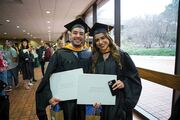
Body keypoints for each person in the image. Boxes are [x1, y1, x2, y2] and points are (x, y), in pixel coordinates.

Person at [35, 18, 91, 120]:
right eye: (75, 33)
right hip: (66, 100)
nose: (78, 36)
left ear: (84, 36)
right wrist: (49, 96)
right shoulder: (59, 54)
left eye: (81, 33)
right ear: (70, 35)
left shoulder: (89, 54)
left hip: (84, 100)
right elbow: (48, 76)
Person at [90, 23, 142, 120]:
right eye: (97, 40)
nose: (100, 42)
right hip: (100, 103)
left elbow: (134, 79)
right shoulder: (94, 58)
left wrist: (124, 83)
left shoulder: (122, 55)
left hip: (117, 103)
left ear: (108, 38)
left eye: (103, 38)